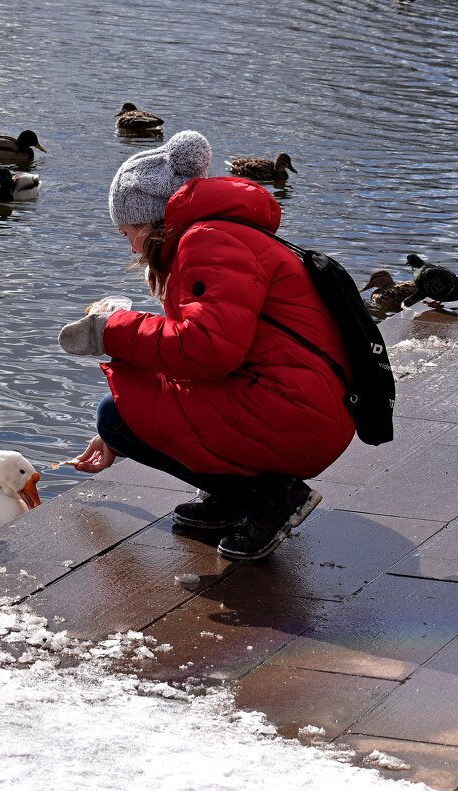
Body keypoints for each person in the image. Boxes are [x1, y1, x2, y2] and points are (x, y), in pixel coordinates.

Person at [58, 130, 355, 561]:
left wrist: (111, 331)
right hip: (301, 401)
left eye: (126, 233)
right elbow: (210, 349)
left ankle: (271, 498)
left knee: (114, 415)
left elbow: (206, 349)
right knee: (124, 413)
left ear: (148, 221)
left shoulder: (208, 242)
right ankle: (235, 499)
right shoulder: (225, 233)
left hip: (297, 412)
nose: (128, 246)